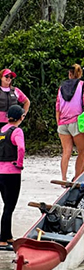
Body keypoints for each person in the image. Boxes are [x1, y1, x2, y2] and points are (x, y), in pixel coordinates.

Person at [55, 64, 84, 182]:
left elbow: (57, 107)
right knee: (82, 151)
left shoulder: (61, 87)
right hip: (77, 121)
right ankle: (77, 177)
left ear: (69, 74)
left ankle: (63, 178)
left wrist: (58, 122)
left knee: (66, 151)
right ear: (80, 74)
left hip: (62, 121)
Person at [0, 105, 26, 247]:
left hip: (0, 172)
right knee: (9, 206)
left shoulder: (2, 130)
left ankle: (8, 235)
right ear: (21, 117)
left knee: (7, 205)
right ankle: (3, 239)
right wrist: (19, 163)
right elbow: (21, 148)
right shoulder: (17, 131)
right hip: (12, 173)